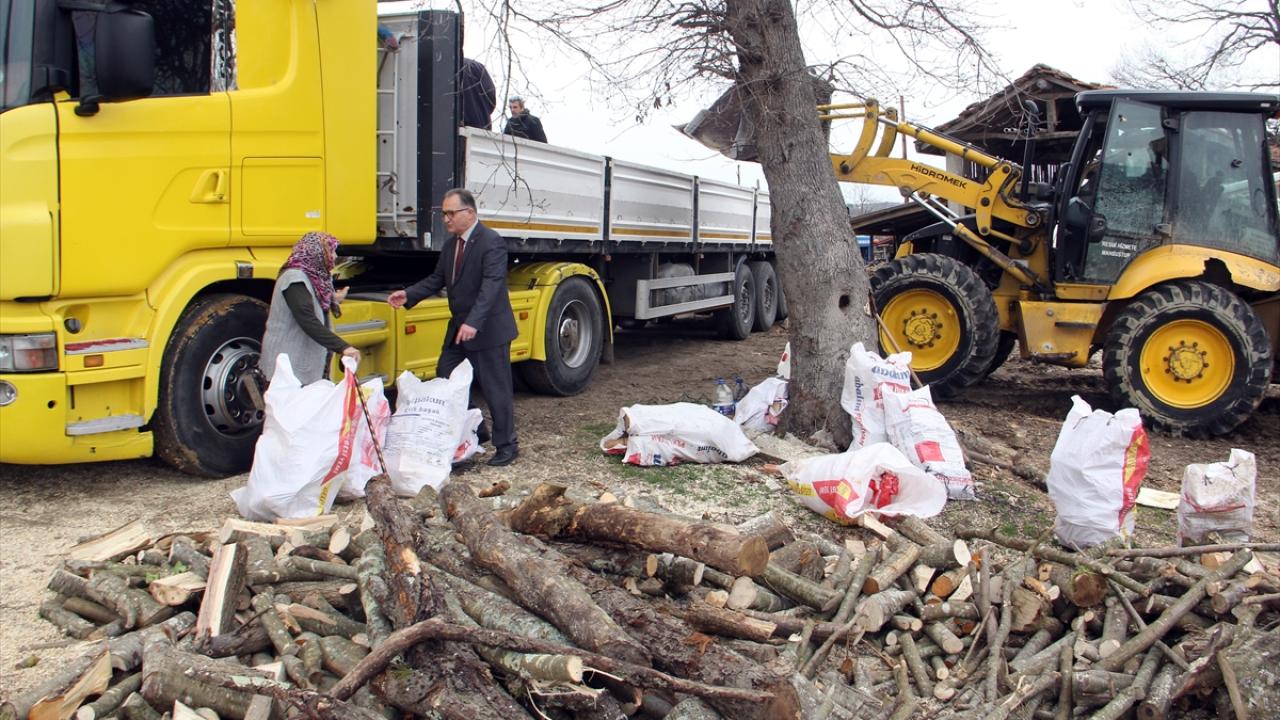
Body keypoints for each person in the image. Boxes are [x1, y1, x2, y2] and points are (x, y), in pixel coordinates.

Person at [387, 189, 520, 467]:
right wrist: (408, 294)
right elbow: (437, 279)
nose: (446, 219)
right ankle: (477, 429)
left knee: (496, 389)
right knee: (446, 373)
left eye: (451, 213)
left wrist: (474, 321)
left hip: (488, 329)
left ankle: (507, 445)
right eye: (443, 213)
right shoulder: (451, 246)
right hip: (459, 328)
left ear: (469, 213)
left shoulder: (491, 242)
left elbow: (492, 286)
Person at [260, 232, 360, 385]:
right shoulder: (294, 278)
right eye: (331, 251)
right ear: (317, 253)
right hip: (289, 368)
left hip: (299, 366)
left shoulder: (313, 276)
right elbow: (306, 318)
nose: (335, 256)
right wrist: (343, 347)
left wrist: (334, 298)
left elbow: (311, 297)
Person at [460, 58, 497, 130]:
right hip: (482, 125)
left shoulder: (451, 67)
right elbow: (491, 97)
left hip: (458, 126)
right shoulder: (478, 67)